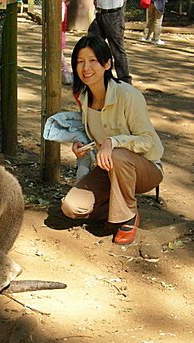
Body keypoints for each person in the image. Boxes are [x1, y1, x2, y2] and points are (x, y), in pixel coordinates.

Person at [61, 35, 164, 245]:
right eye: (80, 61)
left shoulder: (128, 95)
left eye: (93, 61)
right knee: (71, 208)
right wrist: (82, 145)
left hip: (145, 169)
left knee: (116, 154)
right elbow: (94, 135)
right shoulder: (84, 97)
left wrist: (113, 141)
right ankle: (117, 205)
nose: (86, 67)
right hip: (108, 169)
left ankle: (128, 216)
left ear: (107, 64)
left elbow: (148, 141)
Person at [88, 0, 132, 84]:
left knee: (117, 50)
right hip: (99, 14)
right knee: (91, 44)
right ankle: (101, 75)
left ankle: (125, 82)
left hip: (114, 15)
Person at [61, 0, 73, 85]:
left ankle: (67, 75)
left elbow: (61, 19)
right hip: (57, 31)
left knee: (59, 55)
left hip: (58, 32)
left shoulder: (61, 4)